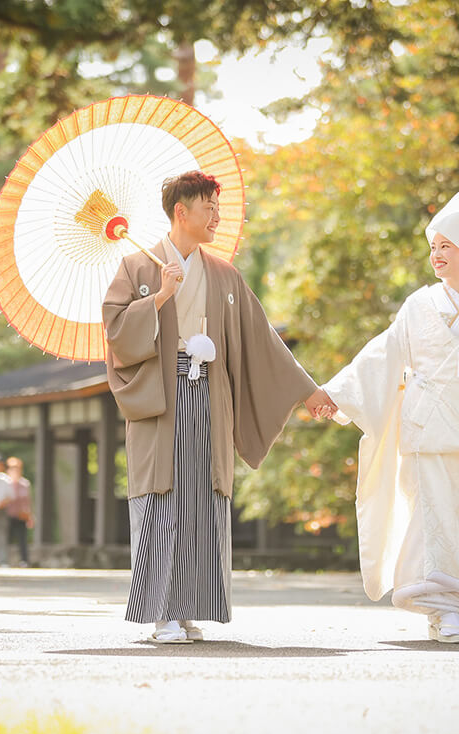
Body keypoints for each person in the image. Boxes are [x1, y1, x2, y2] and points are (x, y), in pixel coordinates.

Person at [102, 170, 334, 644]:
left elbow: (261, 340)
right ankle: (160, 612)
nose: (217, 217)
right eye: (209, 207)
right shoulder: (136, 268)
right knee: (163, 498)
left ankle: (189, 606)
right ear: (181, 211)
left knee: (202, 497)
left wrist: (308, 390)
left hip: (209, 394)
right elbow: (117, 335)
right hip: (161, 399)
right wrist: (161, 297)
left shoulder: (224, 273)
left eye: (218, 207)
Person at [320, 183, 459, 644]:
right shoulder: (418, 304)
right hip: (422, 427)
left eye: (446, 246)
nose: (436, 255)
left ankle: (450, 605)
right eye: (433, 247)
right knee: (426, 515)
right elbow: (383, 354)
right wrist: (337, 393)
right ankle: (442, 608)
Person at [2, 456, 33, 567]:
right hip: (7, 515)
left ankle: (24, 561)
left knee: (22, 540)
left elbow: (27, 501)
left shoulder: (25, 484)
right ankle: (5, 561)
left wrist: (30, 516)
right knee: (6, 539)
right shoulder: (5, 483)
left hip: (21, 515)